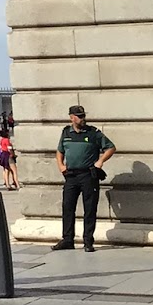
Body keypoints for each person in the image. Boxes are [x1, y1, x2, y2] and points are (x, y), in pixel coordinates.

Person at [52, 105, 115, 253]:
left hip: (88, 175)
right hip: (71, 176)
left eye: (83, 116)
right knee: (67, 207)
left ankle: (88, 241)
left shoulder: (93, 133)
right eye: (79, 116)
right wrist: (61, 165)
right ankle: (68, 239)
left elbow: (111, 148)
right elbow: (59, 151)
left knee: (90, 208)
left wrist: (100, 161)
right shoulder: (66, 132)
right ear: (71, 117)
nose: (82, 119)